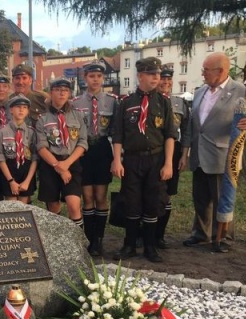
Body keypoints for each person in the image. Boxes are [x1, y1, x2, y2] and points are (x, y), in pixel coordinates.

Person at [181, 52, 246, 252]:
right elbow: (193, 124)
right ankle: (201, 234)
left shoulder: (241, 91)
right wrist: (186, 153)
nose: (203, 74)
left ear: (221, 71)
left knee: (222, 199)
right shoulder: (200, 92)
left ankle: (223, 237)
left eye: (206, 70)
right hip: (199, 155)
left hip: (222, 156)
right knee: (200, 199)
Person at [111, 57, 176, 263]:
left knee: (152, 202)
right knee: (131, 202)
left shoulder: (163, 102)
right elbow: (118, 135)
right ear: (140, 76)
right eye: (151, 74)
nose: (157, 78)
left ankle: (150, 246)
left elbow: (170, 135)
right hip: (131, 159)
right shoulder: (126, 103)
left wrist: (168, 163)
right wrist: (117, 161)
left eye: (158, 74)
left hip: (155, 159)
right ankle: (129, 245)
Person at [72, 60, 119, 257]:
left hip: (101, 149)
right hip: (83, 150)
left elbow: (116, 131)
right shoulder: (75, 103)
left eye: (99, 76)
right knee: (87, 197)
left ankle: (99, 240)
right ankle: (89, 239)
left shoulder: (112, 101)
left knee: (100, 196)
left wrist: (116, 158)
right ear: (85, 78)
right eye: (92, 76)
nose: (96, 80)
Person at [35, 78, 87, 232]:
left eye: (65, 90)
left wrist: (66, 164)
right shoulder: (42, 119)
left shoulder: (78, 116)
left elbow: (83, 143)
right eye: (57, 90)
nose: (61, 93)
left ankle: (78, 243)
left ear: (69, 93)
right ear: (51, 93)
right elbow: (42, 146)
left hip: (71, 162)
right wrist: (58, 166)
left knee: (73, 204)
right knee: (53, 205)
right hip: (50, 164)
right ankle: (58, 243)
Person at [155, 67, 190, 249]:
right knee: (150, 191)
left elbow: (186, 130)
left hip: (174, 150)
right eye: (162, 79)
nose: (166, 83)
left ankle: (160, 235)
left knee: (167, 194)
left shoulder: (180, 102)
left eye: (169, 80)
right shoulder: (150, 101)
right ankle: (144, 233)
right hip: (154, 149)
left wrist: (184, 155)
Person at [0, 95, 38, 204]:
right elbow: (0, 157)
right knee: (12, 207)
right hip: (9, 171)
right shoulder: (3, 131)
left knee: (24, 208)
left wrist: (27, 181)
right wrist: (10, 181)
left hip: (26, 172)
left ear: (28, 111)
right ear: (11, 110)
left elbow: (34, 158)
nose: (21, 110)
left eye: (24, 107)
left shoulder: (31, 132)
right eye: (18, 107)